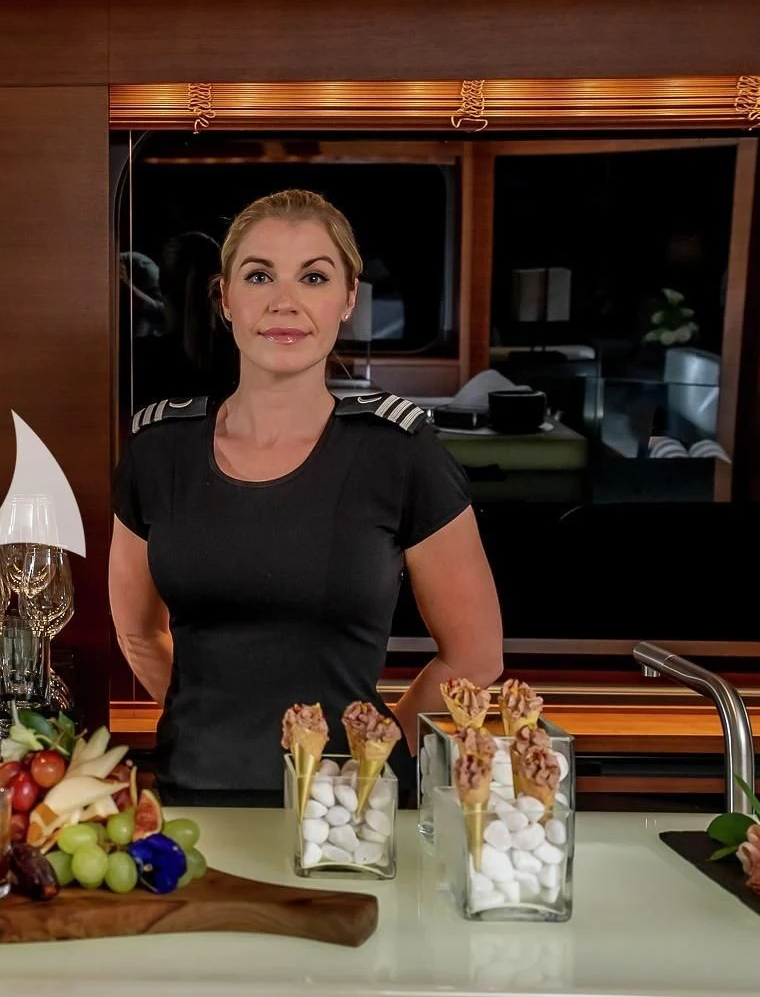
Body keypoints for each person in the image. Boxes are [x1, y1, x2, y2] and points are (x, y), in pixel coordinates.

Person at [109, 188, 503, 798]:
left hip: (350, 812)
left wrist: (373, 749)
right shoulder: (157, 451)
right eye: (259, 275)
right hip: (194, 797)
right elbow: (138, 632)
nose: (285, 302)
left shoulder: (401, 454)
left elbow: (475, 657)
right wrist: (217, 732)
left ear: (348, 299)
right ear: (225, 298)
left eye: (313, 277)